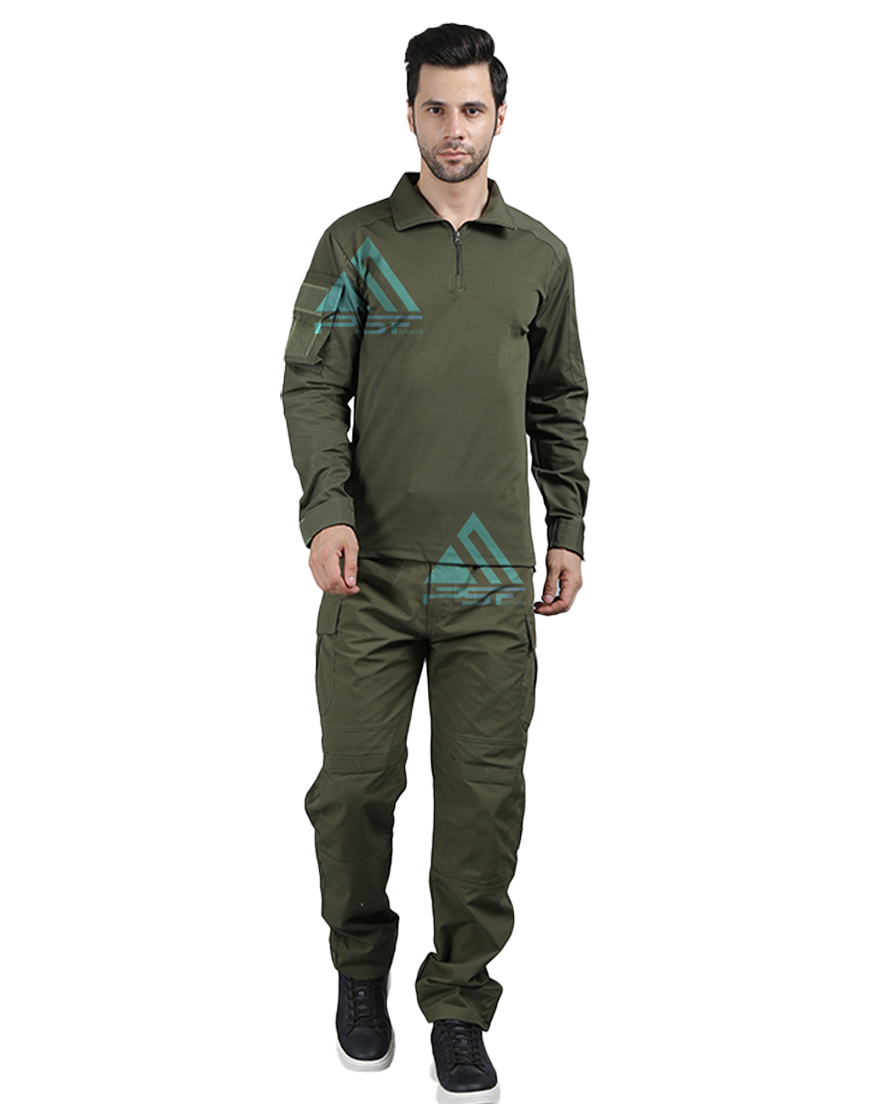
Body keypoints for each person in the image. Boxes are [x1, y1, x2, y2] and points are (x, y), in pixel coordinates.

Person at [282, 22, 589, 1103]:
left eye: (471, 108)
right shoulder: (354, 244)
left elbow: (560, 404)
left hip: (487, 574)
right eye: (435, 107)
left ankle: (457, 1001)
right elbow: (310, 384)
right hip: (367, 572)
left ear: (499, 115)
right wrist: (325, 512)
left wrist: (568, 529)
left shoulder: (539, 255)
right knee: (353, 790)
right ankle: (359, 969)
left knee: (481, 798)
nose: (453, 128)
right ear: (409, 114)